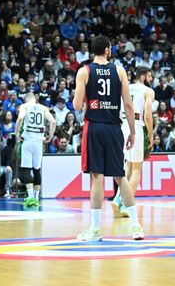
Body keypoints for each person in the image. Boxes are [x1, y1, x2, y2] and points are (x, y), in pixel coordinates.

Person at [72, 35, 143, 241]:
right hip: (114, 128)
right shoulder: (119, 70)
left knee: (97, 177)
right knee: (120, 177)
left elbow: (77, 106)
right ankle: (136, 226)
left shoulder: (84, 72)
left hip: (94, 127)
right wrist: (132, 131)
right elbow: (128, 105)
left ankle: (95, 229)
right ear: (107, 50)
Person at [111, 66, 154, 227]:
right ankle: (126, 205)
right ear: (143, 77)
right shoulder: (148, 91)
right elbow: (148, 115)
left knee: (128, 165)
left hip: (121, 125)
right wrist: (150, 134)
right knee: (137, 168)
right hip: (135, 124)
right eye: (149, 76)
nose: (151, 79)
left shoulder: (126, 87)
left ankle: (117, 199)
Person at [14, 92, 56, 207]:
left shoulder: (25, 106)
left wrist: (17, 133)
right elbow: (53, 122)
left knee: (26, 169)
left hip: (28, 141)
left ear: (27, 99)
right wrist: (50, 137)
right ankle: (37, 198)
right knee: (37, 169)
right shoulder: (43, 108)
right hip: (39, 142)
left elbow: (20, 118)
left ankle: (31, 197)